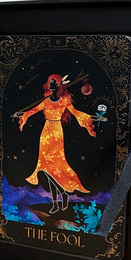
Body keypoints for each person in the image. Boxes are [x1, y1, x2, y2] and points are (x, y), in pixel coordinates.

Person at [16, 74, 96, 213]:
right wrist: (23, 114)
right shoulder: (46, 100)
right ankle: (59, 198)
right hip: (45, 133)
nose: (51, 84)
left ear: (59, 84)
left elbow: (76, 113)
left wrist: (91, 118)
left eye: (54, 82)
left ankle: (61, 197)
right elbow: (34, 110)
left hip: (57, 134)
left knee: (54, 168)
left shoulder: (64, 101)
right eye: (50, 82)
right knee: (45, 169)